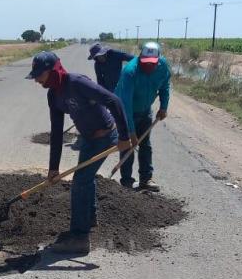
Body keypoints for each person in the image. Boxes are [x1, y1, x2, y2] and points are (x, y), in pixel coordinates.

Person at [27, 51, 134, 254]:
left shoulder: (77, 82)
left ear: (53, 70)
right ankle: (89, 218)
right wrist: (53, 168)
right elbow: (57, 133)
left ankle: (79, 237)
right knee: (86, 178)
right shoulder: (53, 95)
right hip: (88, 139)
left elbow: (114, 101)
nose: (37, 80)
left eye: (40, 75)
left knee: (80, 182)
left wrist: (123, 136)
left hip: (104, 136)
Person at [113, 42, 170, 192]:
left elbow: (165, 86)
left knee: (145, 145)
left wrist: (164, 107)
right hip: (125, 112)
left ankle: (146, 179)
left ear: (158, 59)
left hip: (145, 111)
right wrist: (131, 132)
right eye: (145, 63)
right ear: (140, 57)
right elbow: (125, 105)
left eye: (152, 64)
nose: (148, 66)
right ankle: (126, 182)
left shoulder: (163, 67)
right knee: (128, 146)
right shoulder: (130, 72)